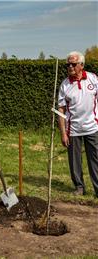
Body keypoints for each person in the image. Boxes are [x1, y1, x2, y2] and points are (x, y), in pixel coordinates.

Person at [58, 51, 98, 197]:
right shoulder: (65, 84)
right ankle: (79, 187)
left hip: (93, 127)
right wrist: (63, 133)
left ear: (81, 65)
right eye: (68, 64)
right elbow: (61, 109)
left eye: (73, 64)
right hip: (73, 129)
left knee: (95, 159)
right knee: (75, 161)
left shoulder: (93, 79)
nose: (70, 67)